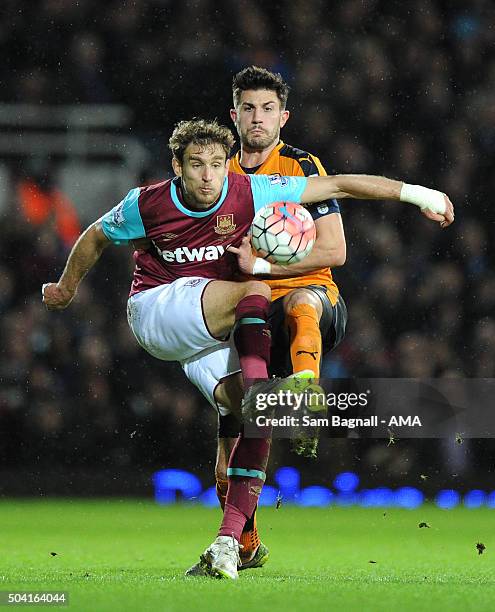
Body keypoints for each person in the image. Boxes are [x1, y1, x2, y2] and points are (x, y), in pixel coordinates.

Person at [42, 118, 454, 580]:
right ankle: (266, 390)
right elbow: (97, 234)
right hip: (157, 310)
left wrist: (419, 194)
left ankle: (234, 541)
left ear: (226, 166)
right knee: (254, 287)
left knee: (252, 423)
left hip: (207, 331)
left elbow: (338, 184)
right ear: (177, 166)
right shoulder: (147, 203)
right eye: (195, 165)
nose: (207, 176)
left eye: (216, 164)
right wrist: (65, 288)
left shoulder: (250, 190)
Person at [203, 66, 348, 574]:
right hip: (246, 316)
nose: (257, 118)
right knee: (231, 435)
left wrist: (264, 265)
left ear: (283, 117)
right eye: (248, 108)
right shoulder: (218, 171)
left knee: (299, 303)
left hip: (310, 302)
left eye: (268, 109)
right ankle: (244, 542)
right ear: (234, 115)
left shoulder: (302, 167)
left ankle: (307, 385)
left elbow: (336, 249)